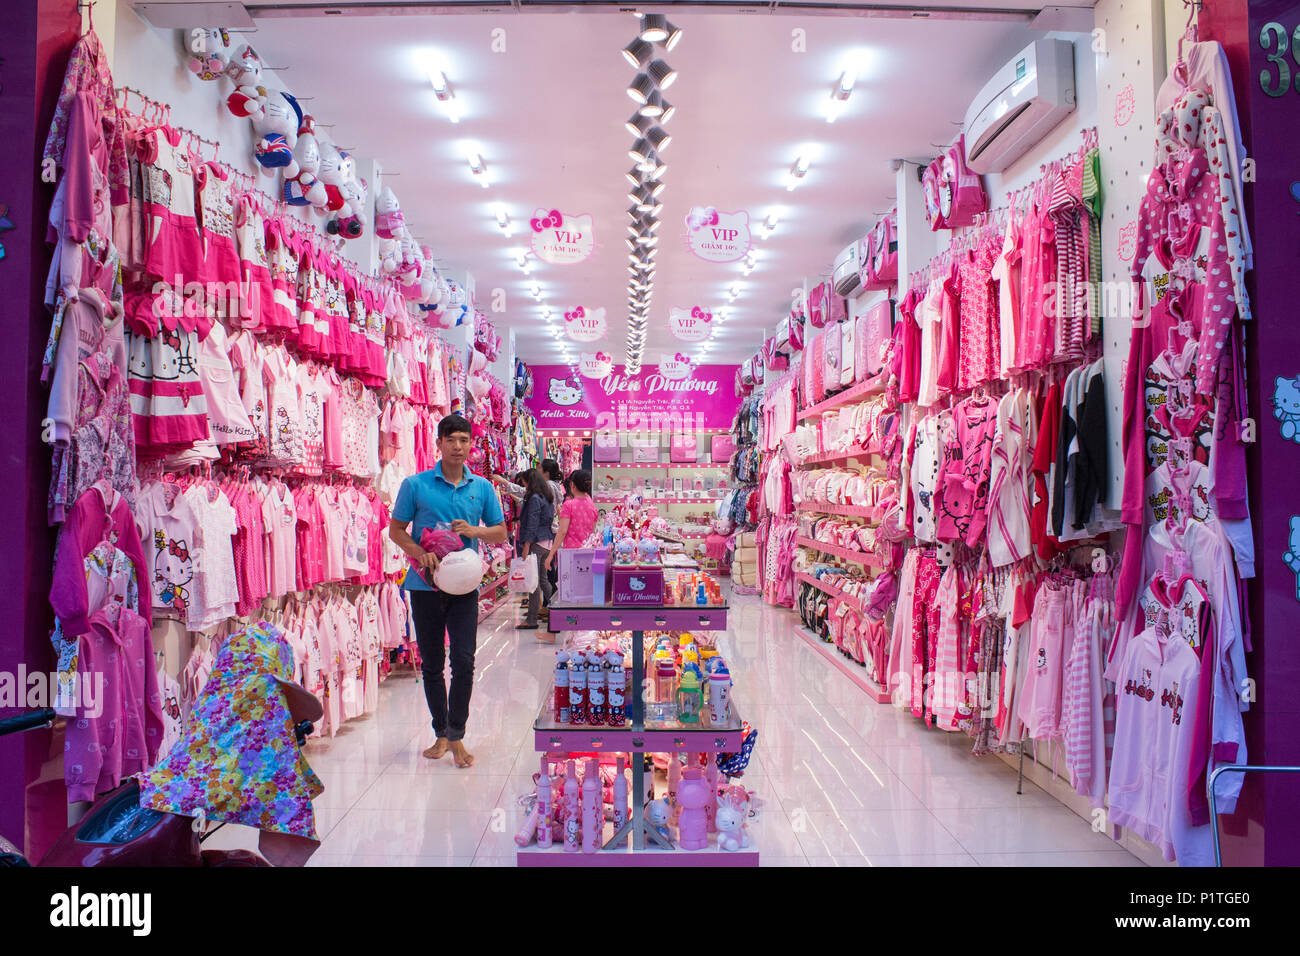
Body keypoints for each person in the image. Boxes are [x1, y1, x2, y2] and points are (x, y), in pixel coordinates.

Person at [388, 414, 507, 768]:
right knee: (432, 664)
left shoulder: (482, 488)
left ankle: (457, 735)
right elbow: (396, 530)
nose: (458, 447)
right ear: (438, 443)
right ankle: (441, 732)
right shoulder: (415, 485)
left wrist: (475, 530)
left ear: (471, 445)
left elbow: (500, 532)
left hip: (465, 587)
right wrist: (419, 553)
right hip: (424, 586)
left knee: (465, 662)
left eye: (464, 440)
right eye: (451, 440)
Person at [515, 468, 556, 632]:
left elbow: (532, 523)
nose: (523, 485)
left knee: (533, 582)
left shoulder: (533, 498)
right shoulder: (546, 497)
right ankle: (556, 608)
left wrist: (526, 545)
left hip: (536, 543)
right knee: (542, 580)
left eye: (524, 482)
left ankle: (532, 619)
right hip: (546, 542)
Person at [544, 469, 598, 577]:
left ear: (572, 485)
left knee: (566, 586)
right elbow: (593, 532)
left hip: (571, 554)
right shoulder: (592, 506)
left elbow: (562, 531)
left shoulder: (569, 505)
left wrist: (551, 554)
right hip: (588, 553)